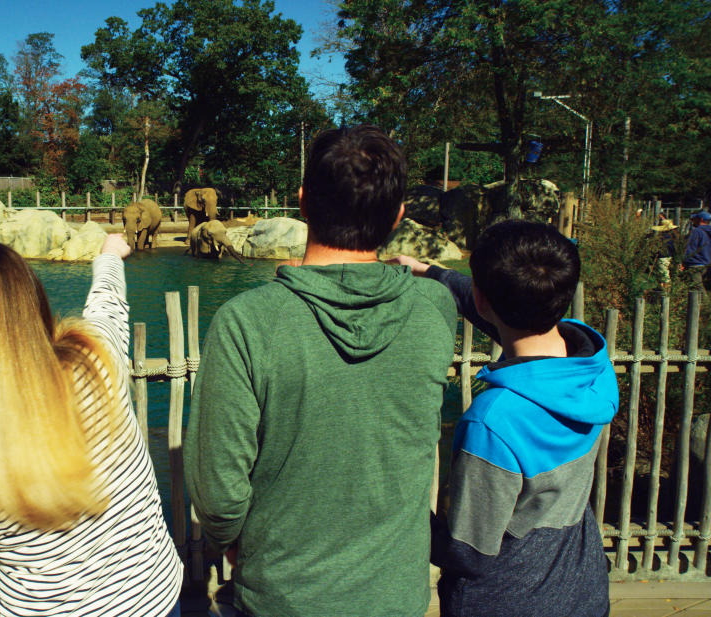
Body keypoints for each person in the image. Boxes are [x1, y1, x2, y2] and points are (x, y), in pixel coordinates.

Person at [185, 124, 458, 617]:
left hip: (282, 597)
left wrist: (234, 540)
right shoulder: (433, 308)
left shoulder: (247, 321)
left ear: (303, 202)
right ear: (398, 216)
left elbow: (219, 490)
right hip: (396, 595)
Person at [0, 236, 183, 617]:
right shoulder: (95, 365)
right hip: (154, 599)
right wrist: (109, 256)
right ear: (33, 304)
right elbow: (108, 306)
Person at [391, 221, 618, 617]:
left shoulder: (493, 422)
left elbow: (467, 552)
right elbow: (509, 318)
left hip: (504, 600)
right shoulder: (590, 367)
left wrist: (399, 502)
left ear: (483, 299)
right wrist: (430, 272)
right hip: (581, 591)